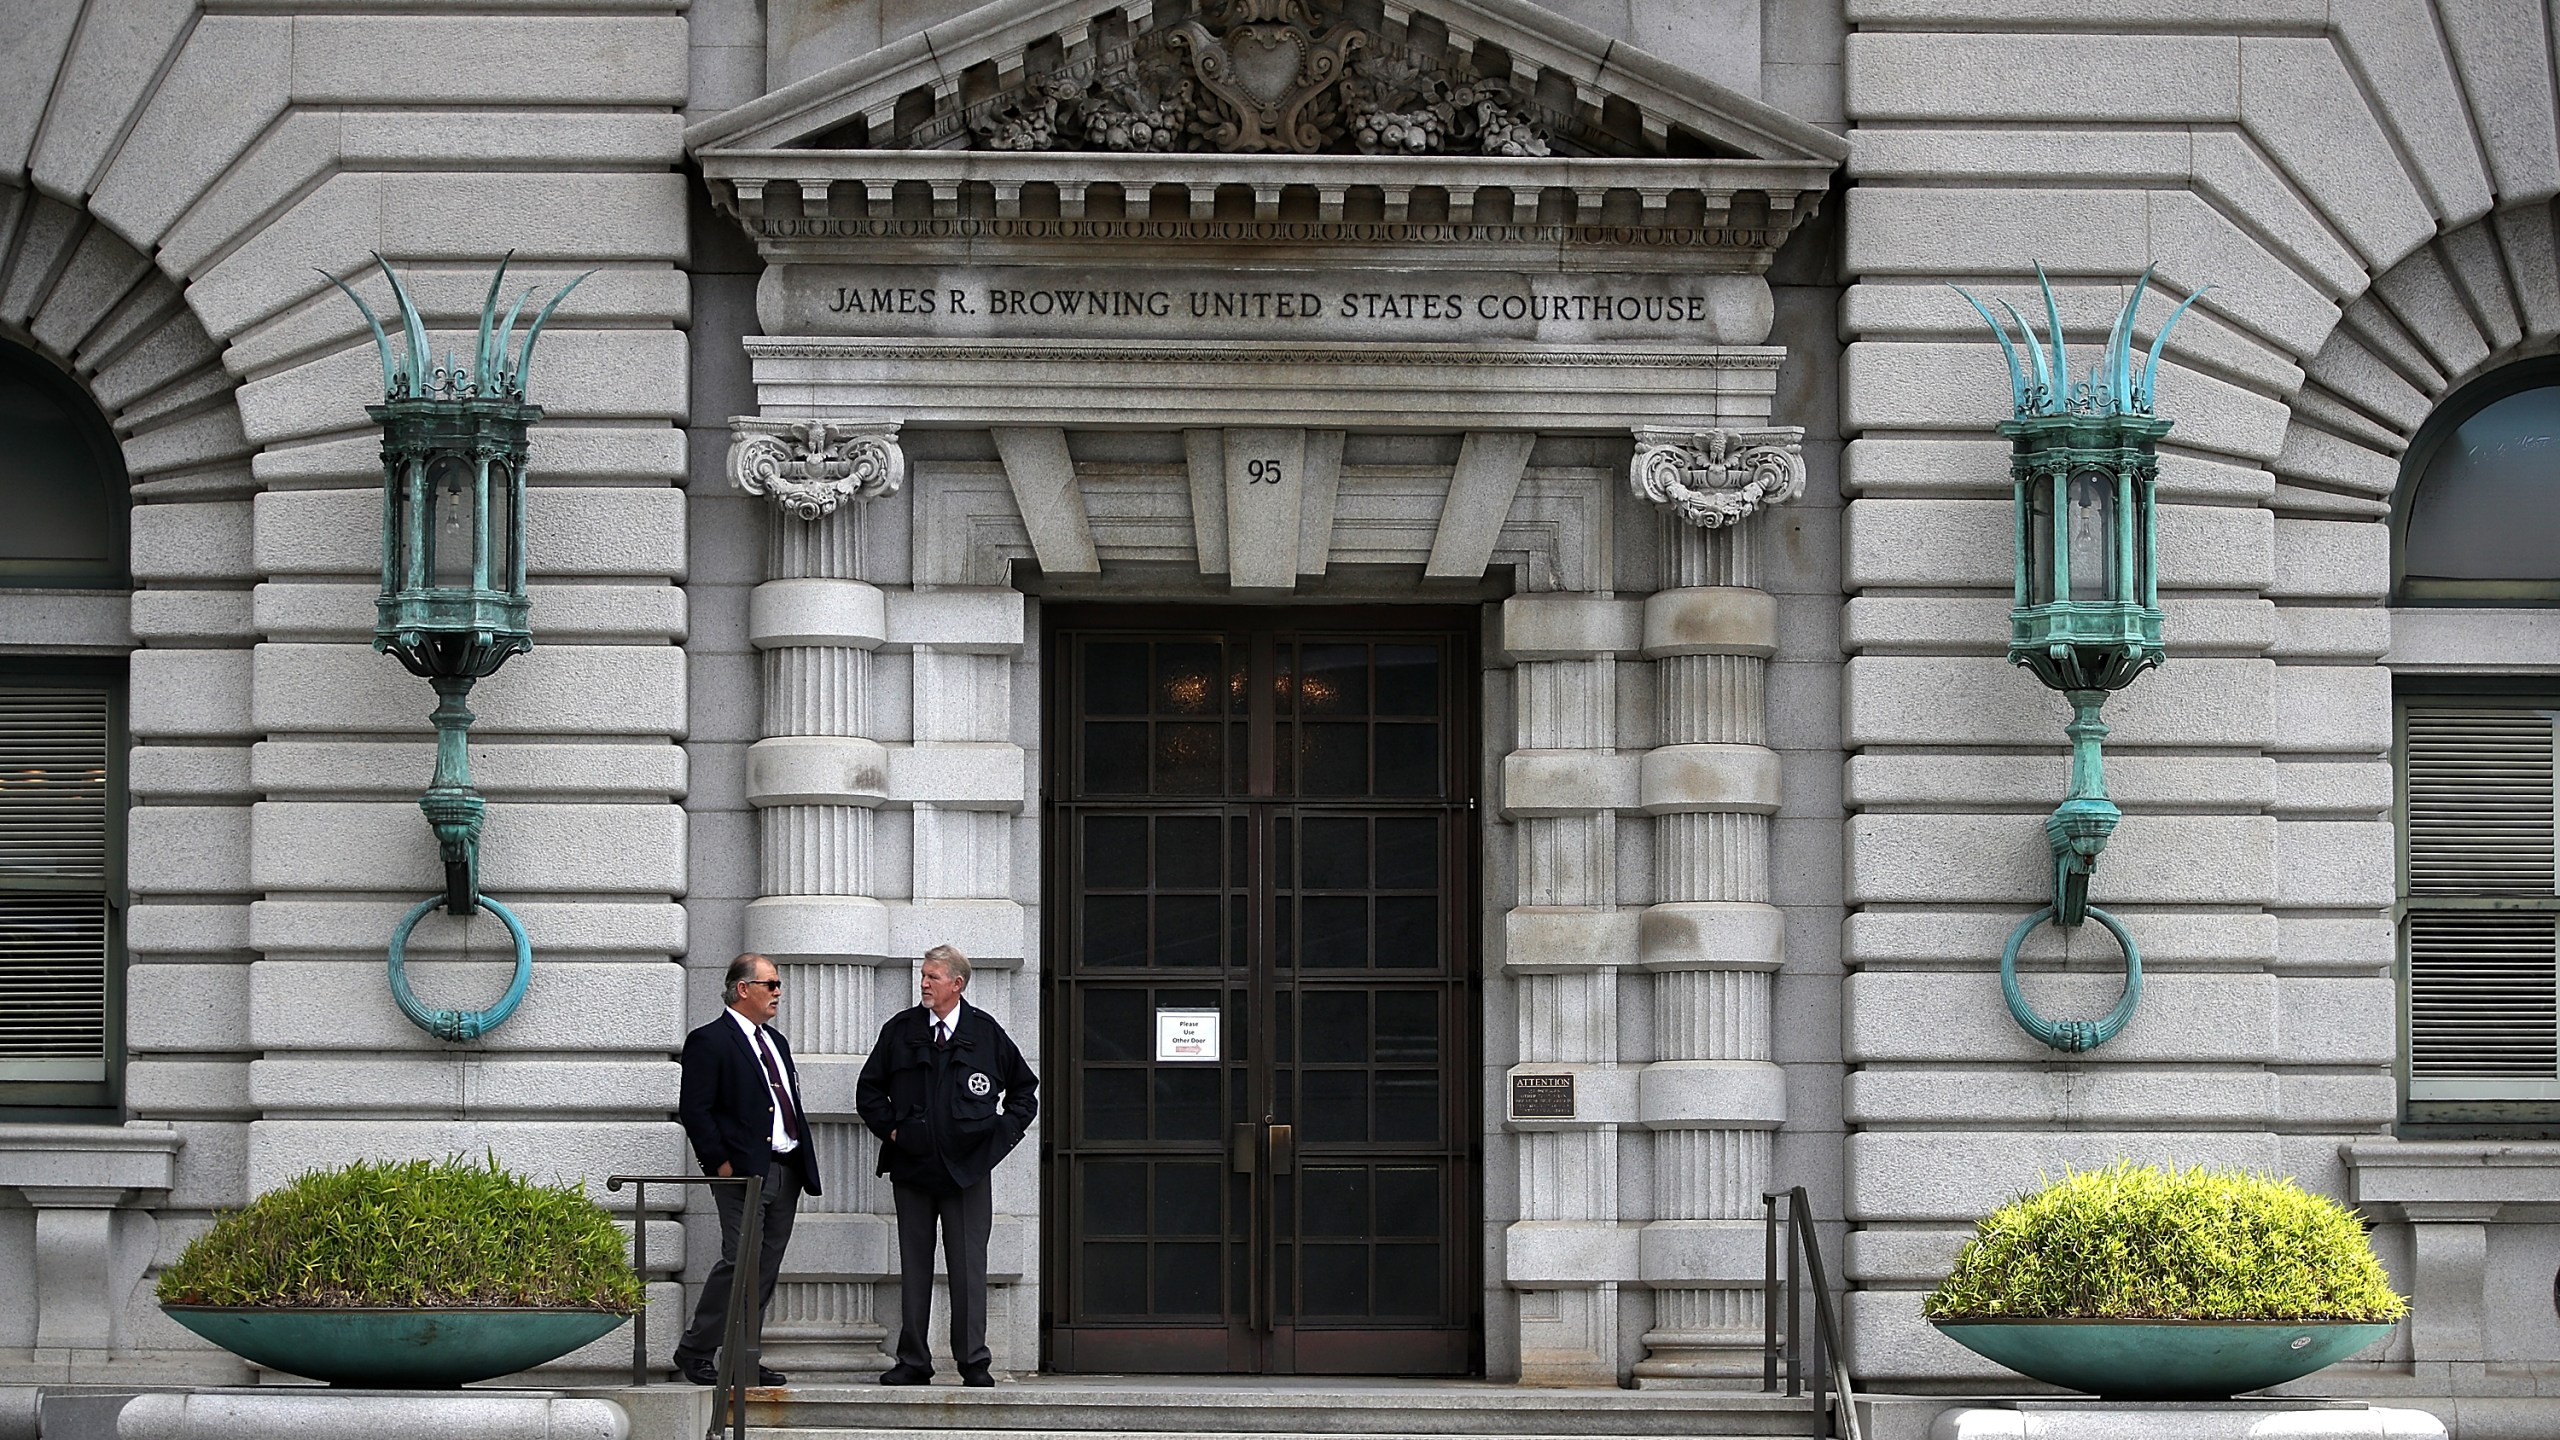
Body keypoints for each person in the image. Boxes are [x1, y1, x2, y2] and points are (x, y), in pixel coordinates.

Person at [856, 944, 1038, 1387]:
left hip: (967, 1174)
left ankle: (973, 1362)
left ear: (957, 984)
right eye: (923, 976)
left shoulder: (986, 1033)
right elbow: (869, 1092)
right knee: (914, 1269)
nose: (924, 984)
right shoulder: (901, 1030)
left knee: (968, 1269)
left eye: (932, 977)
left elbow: (1023, 1095)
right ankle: (913, 1361)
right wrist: (896, 1133)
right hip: (914, 1171)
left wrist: (995, 1144)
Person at [673, 953, 818, 1387]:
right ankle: (697, 1348)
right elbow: (695, 1110)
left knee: (765, 1267)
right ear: (743, 989)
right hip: (741, 1171)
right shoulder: (710, 1040)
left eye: (777, 984)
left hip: (785, 1167)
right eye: (770, 984)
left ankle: (744, 1357)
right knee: (740, 1261)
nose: (778, 992)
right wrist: (719, 1163)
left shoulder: (776, 1041)